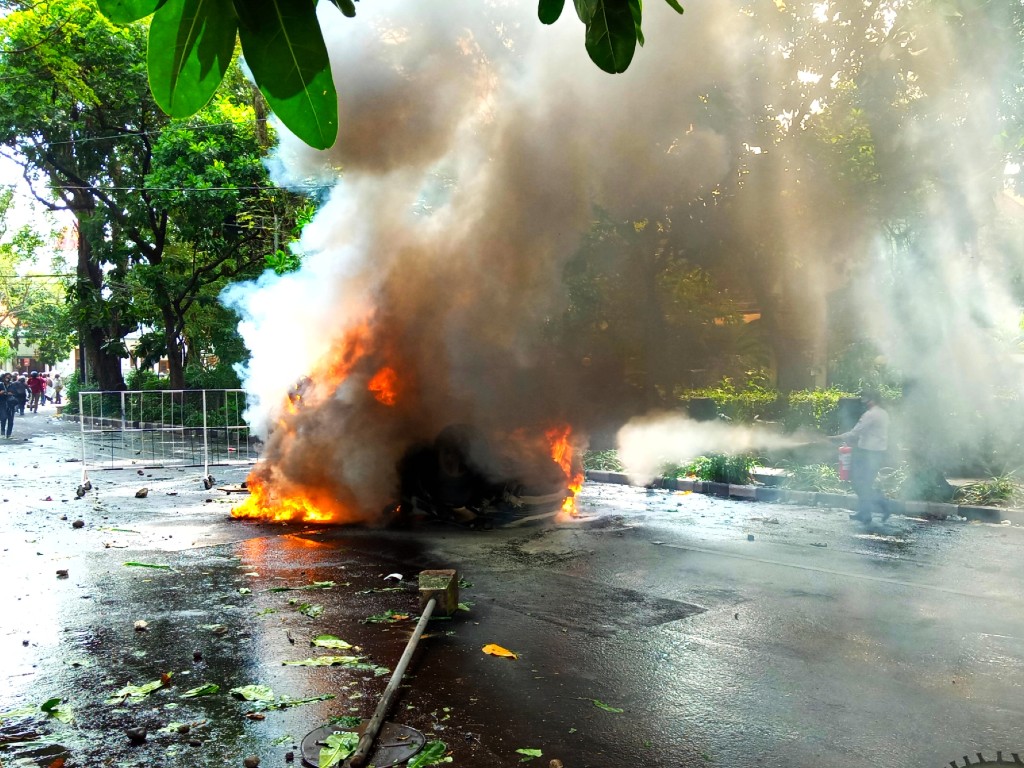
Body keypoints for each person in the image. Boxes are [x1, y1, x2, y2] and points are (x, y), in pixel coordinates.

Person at [832, 388, 891, 523]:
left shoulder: (870, 415)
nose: (864, 402)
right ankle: (865, 513)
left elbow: (855, 432)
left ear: (872, 400)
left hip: (868, 453)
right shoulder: (884, 413)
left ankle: (883, 503)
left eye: (865, 398)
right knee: (866, 483)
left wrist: (834, 437)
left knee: (859, 483)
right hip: (878, 453)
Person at [0, 373, 17, 439]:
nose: (8, 379)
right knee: (3, 418)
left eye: (9, 377)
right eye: (7, 377)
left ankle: (9, 434)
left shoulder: (12, 384)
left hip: (11, 404)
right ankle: (2, 432)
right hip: (2, 403)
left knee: (10, 419)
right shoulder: (1, 384)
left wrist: (7, 393)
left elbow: (15, 392)